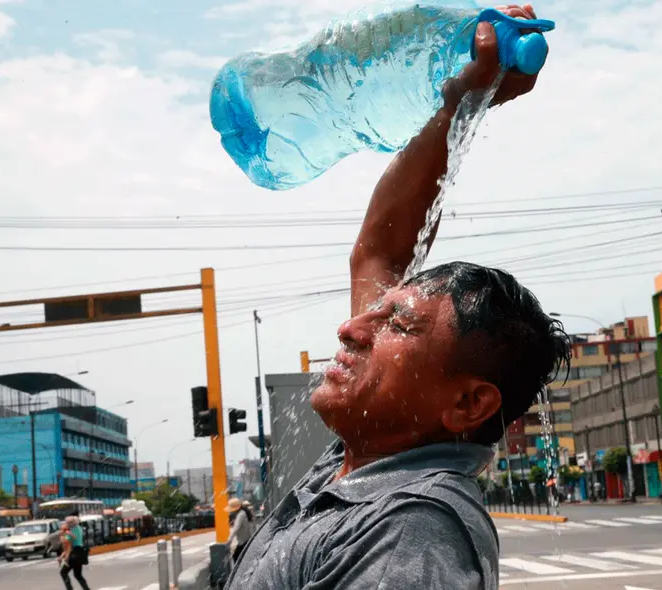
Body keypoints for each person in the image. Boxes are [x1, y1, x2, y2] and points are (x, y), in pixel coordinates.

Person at [226, 5, 568, 589]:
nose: (353, 329)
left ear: (466, 406)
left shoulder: (409, 533)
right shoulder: (368, 464)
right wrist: (462, 104)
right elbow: (380, 250)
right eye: (379, 313)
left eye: (399, 326)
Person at [58, 515, 89, 590]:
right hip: (81, 553)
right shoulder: (79, 528)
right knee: (78, 575)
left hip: (74, 554)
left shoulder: (70, 532)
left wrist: (62, 534)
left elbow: (66, 543)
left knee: (63, 572)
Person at [225, 497, 255, 563]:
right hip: (246, 540)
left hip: (244, 542)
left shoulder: (241, 515)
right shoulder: (243, 513)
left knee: (236, 557)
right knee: (240, 557)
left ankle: (240, 572)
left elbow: (236, 528)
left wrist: (229, 540)